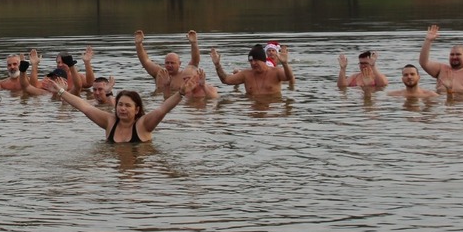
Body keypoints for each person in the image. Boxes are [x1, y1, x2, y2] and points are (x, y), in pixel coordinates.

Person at [55, 87, 183, 144]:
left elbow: (163, 109)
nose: (122, 108)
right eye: (120, 105)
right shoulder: (109, 122)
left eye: (127, 106)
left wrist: (180, 93)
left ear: (137, 109)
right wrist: (61, 91)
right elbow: (84, 106)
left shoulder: (143, 124)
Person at [133, 29, 201, 97]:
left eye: (172, 63)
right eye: (167, 63)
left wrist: (194, 44)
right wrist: (138, 45)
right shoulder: (159, 73)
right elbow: (145, 61)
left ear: (179, 64)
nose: (169, 65)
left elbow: (195, 61)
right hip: (160, 101)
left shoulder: (185, 75)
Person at [210, 44, 292, 96]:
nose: (253, 63)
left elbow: (289, 77)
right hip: (251, 113)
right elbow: (226, 80)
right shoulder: (246, 74)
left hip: (271, 112)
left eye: (256, 60)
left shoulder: (276, 71)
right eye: (250, 61)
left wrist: (285, 64)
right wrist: (217, 66)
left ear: (263, 60)